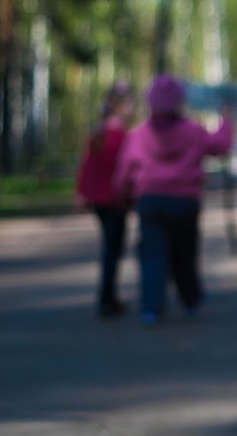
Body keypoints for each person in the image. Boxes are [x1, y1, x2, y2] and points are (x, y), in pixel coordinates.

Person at [113, 74, 234, 326]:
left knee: (152, 253)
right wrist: (226, 121)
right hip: (184, 201)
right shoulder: (192, 130)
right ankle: (191, 300)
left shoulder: (139, 134)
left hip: (150, 201)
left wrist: (123, 194)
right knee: (185, 252)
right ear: (179, 100)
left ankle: (151, 309)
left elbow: (123, 171)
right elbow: (220, 144)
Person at [75, 81, 137, 318]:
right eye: (130, 104)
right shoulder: (121, 136)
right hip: (115, 200)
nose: (133, 108)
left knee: (111, 247)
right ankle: (107, 299)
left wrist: (82, 193)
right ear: (117, 106)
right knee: (113, 249)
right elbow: (126, 170)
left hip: (101, 200)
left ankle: (108, 297)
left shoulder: (99, 132)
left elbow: (87, 167)